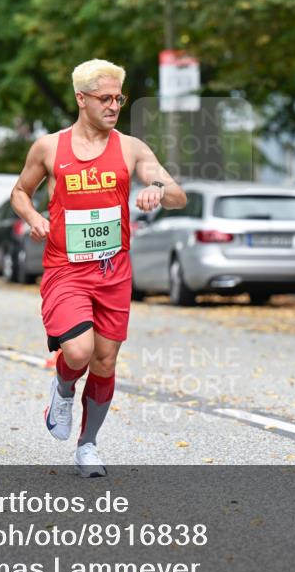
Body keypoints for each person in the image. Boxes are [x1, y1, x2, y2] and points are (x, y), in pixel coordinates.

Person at [11, 59, 187, 477]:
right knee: (79, 351)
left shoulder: (131, 148)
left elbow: (177, 193)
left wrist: (157, 191)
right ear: (81, 99)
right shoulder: (50, 147)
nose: (113, 106)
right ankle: (64, 387)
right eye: (104, 98)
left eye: (118, 98)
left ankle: (87, 446)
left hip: (113, 272)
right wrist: (34, 218)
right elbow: (19, 192)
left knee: (105, 362)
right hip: (65, 270)